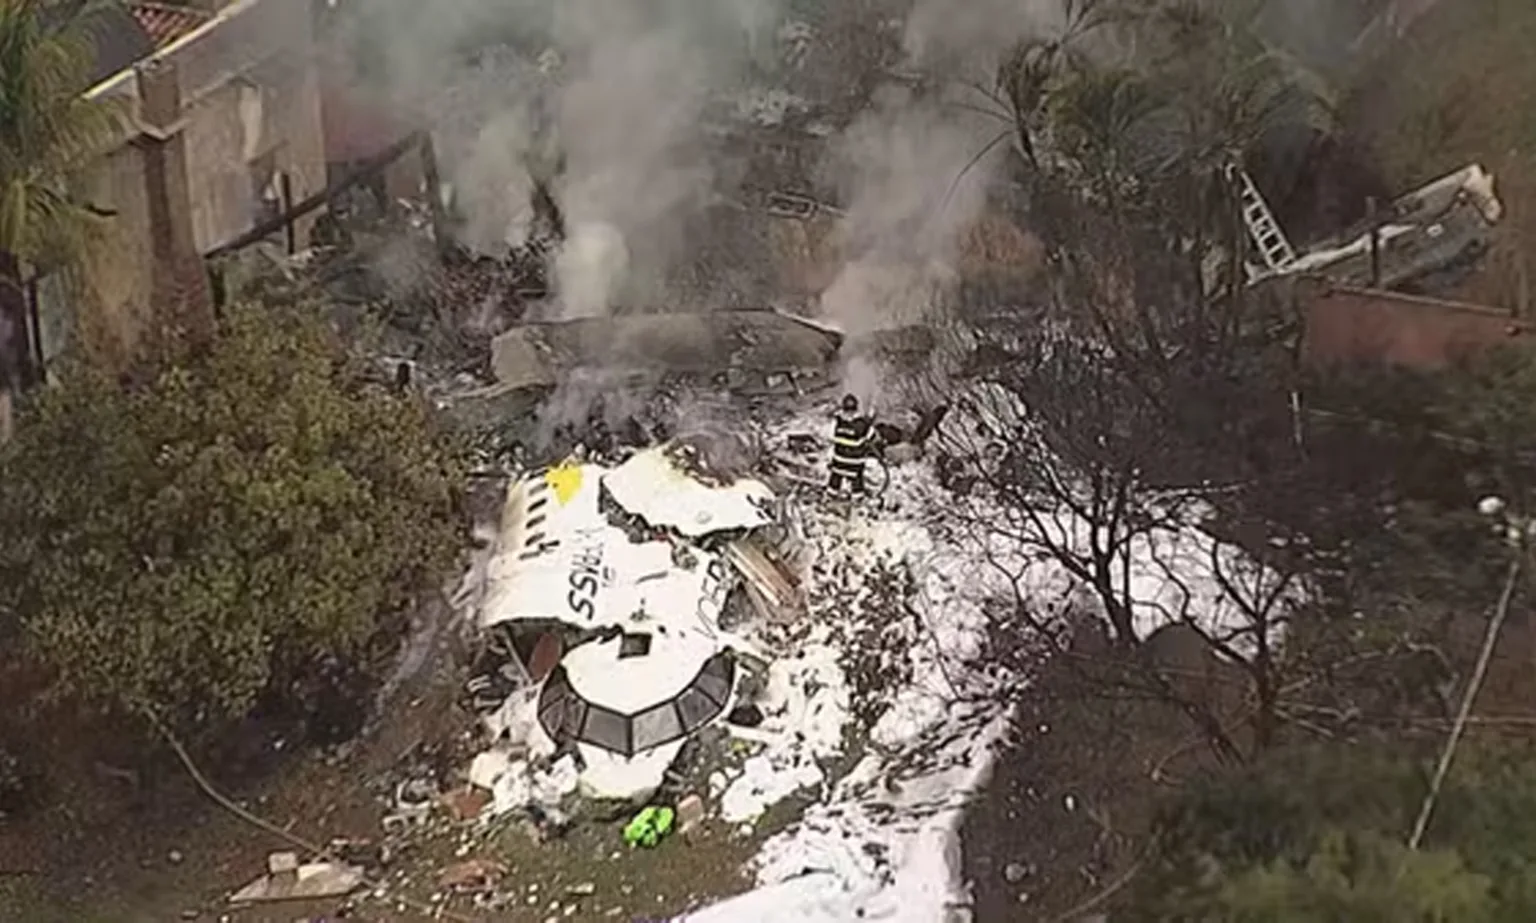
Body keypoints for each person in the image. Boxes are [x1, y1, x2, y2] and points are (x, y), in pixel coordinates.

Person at [828, 394, 875, 496]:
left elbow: (830, 436)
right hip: (856, 462)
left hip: (839, 460)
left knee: (835, 477)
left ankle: (831, 495)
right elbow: (871, 435)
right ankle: (858, 497)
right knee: (857, 480)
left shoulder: (837, 421)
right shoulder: (862, 423)